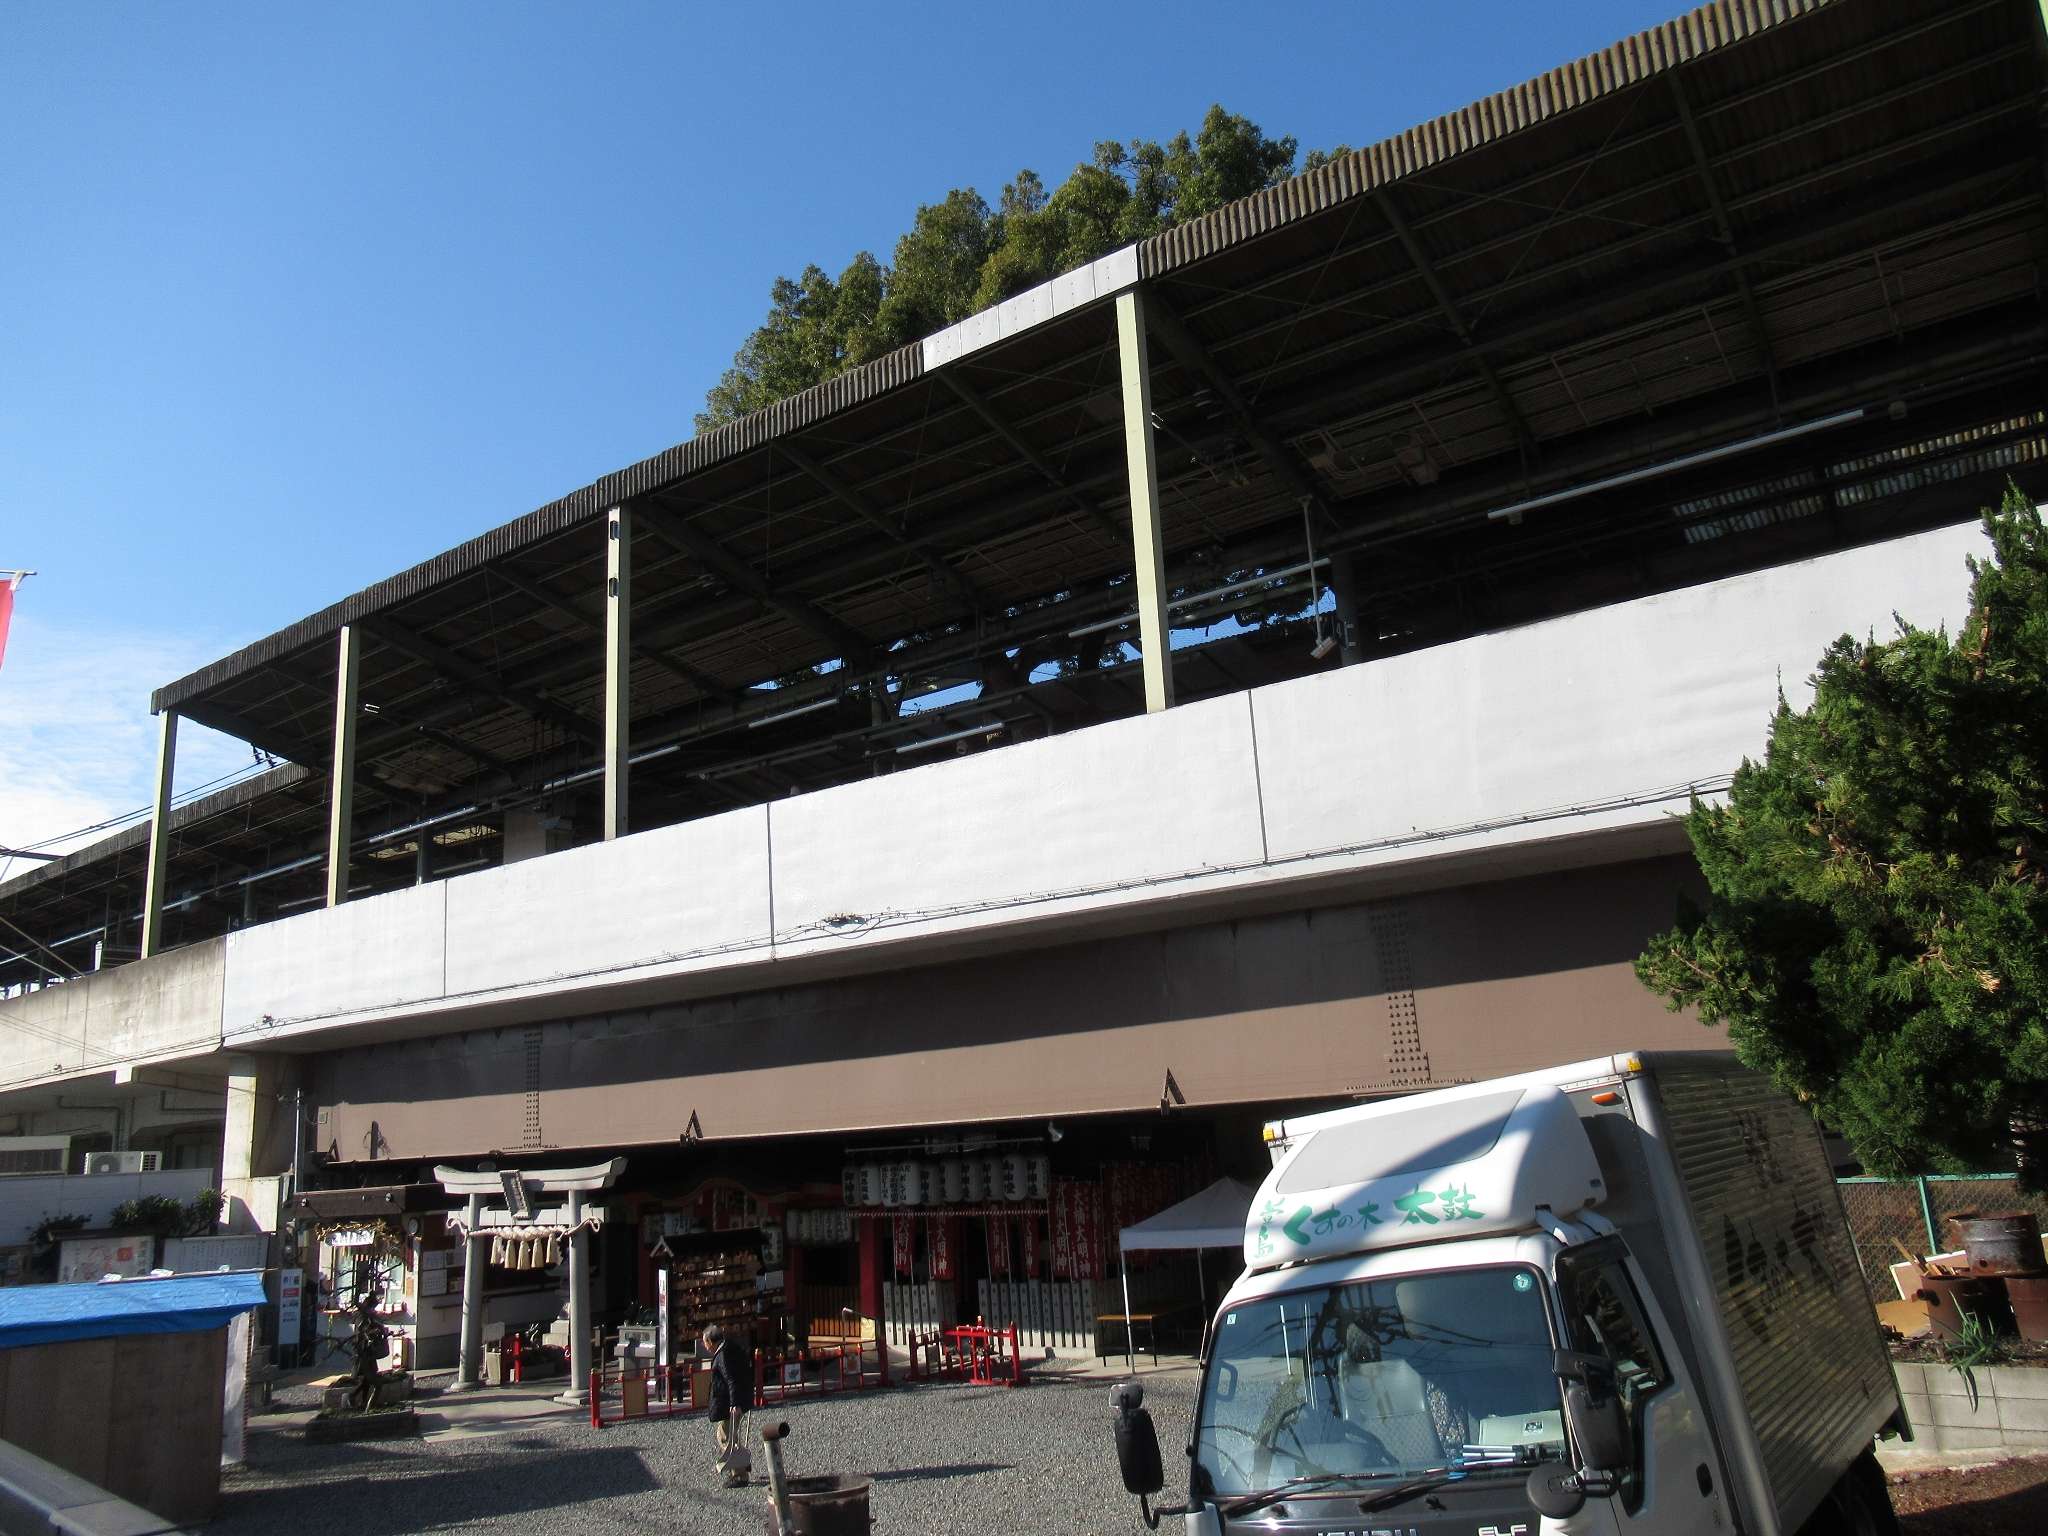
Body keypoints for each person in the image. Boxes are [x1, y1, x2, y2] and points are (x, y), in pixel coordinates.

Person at [704, 1325, 755, 1487]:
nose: (705, 1346)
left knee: (725, 1436)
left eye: (705, 1342)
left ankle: (740, 1474)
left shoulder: (723, 1355)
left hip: (730, 1402)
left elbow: (731, 1379)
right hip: (739, 1398)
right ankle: (742, 1464)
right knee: (729, 1435)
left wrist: (735, 1403)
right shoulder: (733, 1348)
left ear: (710, 1341)